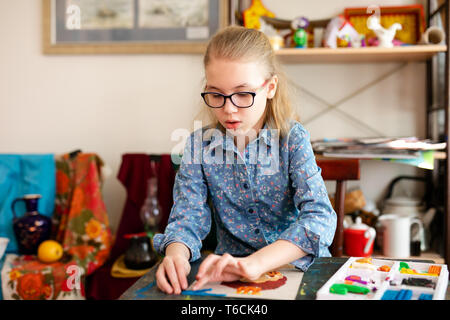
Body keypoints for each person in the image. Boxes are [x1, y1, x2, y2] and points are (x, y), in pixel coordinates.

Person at [153, 26, 337, 295]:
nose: (228, 109)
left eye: (243, 94)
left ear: (270, 87)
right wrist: (176, 255)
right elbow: (187, 219)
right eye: (216, 94)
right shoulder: (197, 146)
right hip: (231, 278)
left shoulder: (292, 139)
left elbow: (320, 218)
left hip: (299, 270)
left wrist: (255, 263)